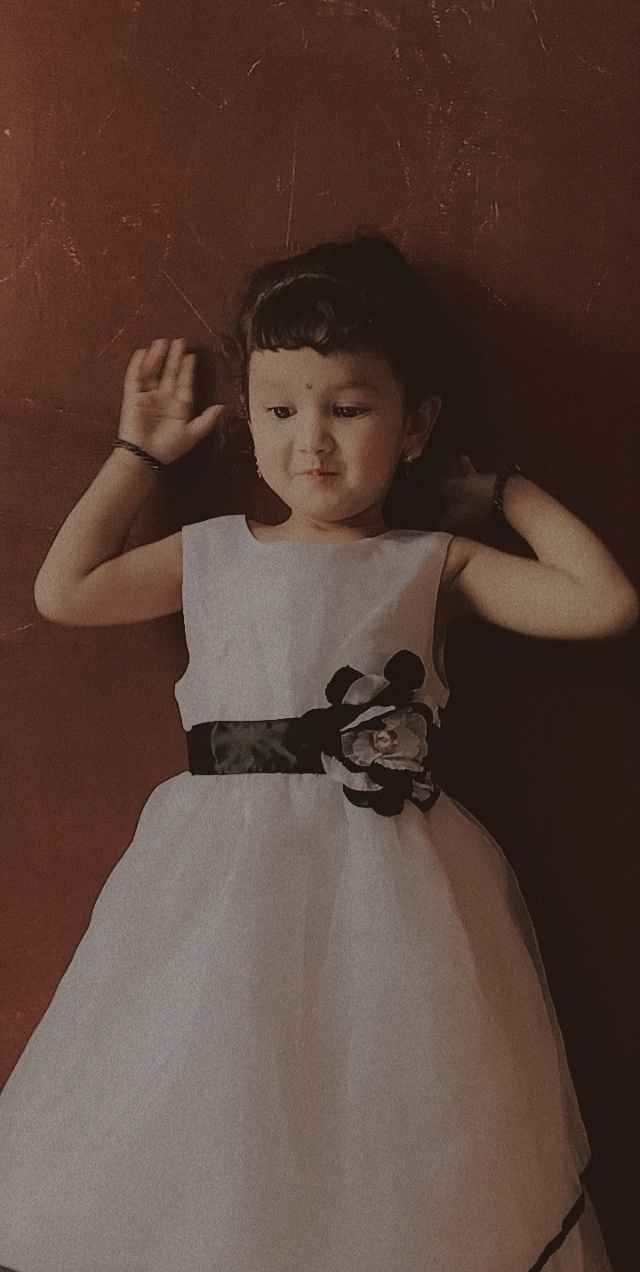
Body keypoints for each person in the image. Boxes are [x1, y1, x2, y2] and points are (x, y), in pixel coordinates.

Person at [1, 231, 632, 1272]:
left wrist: (503, 495)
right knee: (223, 1102)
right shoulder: (211, 554)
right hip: (219, 890)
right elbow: (63, 591)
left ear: (415, 425)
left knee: (380, 1115)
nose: (312, 444)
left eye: (348, 409)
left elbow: (603, 603)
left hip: (389, 897)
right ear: (249, 418)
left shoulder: (431, 563)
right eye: (281, 411)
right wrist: (137, 458)